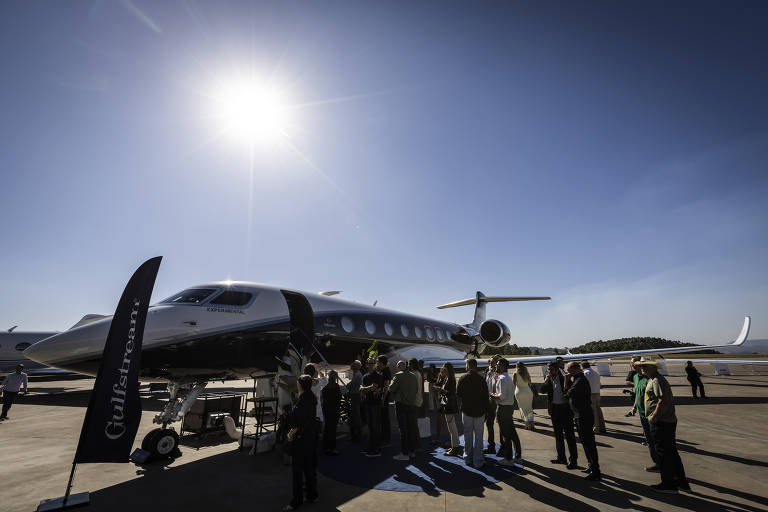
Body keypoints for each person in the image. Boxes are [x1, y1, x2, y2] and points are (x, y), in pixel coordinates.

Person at [639, 359, 690, 493]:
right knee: (671, 452)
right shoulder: (652, 379)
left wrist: (654, 417)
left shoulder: (656, 380)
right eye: (641, 366)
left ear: (653, 367)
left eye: (645, 366)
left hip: (662, 422)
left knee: (663, 453)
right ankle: (682, 482)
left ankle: (668, 484)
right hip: (666, 421)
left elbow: (663, 400)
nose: (642, 368)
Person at [284, 375, 319, 511]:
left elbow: (297, 425)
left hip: (300, 440)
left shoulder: (302, 401)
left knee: (297, 472)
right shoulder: (311, 397)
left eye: (298, 383)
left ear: (301, 385)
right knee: (309, 469)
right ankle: (312, 495)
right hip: (310, 438)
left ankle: (296, 501)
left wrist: (289, 436)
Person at [564, 361, 601, 480]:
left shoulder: (580, 381)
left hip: (583, 416)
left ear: (576, 369)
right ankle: (591, 465)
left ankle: (596, 471)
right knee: (585, 443)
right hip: (580, 415)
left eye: (569, 369)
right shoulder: (577, 379)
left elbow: (568, 393)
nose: (567, 372)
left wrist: (566, 381)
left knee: (589, 444)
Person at [539, 361, 578, 469]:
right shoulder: (550, 380)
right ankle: (561, 457)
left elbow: (571, 392)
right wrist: (546, 380)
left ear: (557, 370)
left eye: (551, 370)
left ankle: (573, 460)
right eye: (548, 370)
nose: (549, 372)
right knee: (558, 435)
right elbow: (541, 390)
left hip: (565, 410)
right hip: (555, 409)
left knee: (569, 436)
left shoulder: (563, 379)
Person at [457, 358, 488, 468]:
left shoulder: (463, 378)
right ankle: (478, 460)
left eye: (466, 365)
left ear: (469, 366)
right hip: (479, 412)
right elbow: (486, 397)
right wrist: (486, 412)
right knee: (479, 437)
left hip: (467, 411)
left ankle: (468, 458)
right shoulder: (482, 379)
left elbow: (458, 394)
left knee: (467, 435)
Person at [490, 358, 522, 465]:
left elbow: (501, 397)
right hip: (509, 408)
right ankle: (518, 456)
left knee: (505, 435)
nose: (496, 366)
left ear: (503, 366)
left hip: (503, 409)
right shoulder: (507, 378)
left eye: (498, 365)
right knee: (512, 433)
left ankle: (508, 459)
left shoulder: (502, 378)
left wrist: (491, 395)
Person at [632, 358, 660, 471]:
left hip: (651, 414)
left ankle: (663, 464)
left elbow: (661, 399)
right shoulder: (635, 377)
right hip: (642, 413)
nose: (633, 365)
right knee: (649, 440)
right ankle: (656, 463)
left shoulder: (649, 378)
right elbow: (637, 394)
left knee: (656, 440)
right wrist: (634, 407)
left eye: (635, 363)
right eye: (632, 363)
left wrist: (655, 415)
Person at [388, 360, 419, 461]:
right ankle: (412, 451)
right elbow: (416, 389)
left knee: (403, 429)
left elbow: (391, 388)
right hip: (411, 404)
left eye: (397, 366)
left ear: (399, 367)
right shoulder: (413, 376)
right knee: (411, 428)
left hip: (401, 404)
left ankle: (405, 453)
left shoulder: (398, 375)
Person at [433, 362, 461, 455]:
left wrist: (441, 390)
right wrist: (440, 376)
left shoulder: (451, 379)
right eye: (442, 369)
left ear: (448, 369)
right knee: (451, 426)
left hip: (450, 405)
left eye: (445, 369)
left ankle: (455, 447)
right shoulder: (446, 378)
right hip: (447, 404)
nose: (443, 370)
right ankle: (454, 446)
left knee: (452, 426)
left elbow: (452, 393)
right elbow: (440, 384)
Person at [360, 358, 383, 457]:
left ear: (375, 365)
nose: (370, 365)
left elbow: (374, 387)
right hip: (368, 403)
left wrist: (365, 388)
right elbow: (362, 389)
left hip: (375, 404)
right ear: (366, 364)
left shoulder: (378, 376)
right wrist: (368, 388)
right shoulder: (365, 376)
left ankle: (376, 449)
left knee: (375, 427)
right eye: (368, 363)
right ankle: (372, 447)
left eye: (372, 363)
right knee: (370, 427)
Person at [483, 355, 504, 455]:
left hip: (498, 401)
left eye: (494, 362)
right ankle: (491, 446)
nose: (492, 364)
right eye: (491, 362)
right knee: (489, 424)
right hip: (489, 401)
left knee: (501, 425)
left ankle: (503, 447)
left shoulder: (501, 374)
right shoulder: (487, 371)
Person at [321, 370, 342, 455]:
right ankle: (332, 448)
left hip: (327, 410)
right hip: (334, 410)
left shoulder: (325, 388)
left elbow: (323, 400)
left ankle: (326, 447)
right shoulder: (336, 387)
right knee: (333, 430)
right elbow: (339, 398)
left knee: (327, 428)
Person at [581, 361, 606, 433]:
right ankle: (602, 427)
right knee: (598, 410)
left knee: (593, 411)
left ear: (583, 366)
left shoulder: (585, 373)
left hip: (590, 394)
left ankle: (596, 428)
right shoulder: (596, 373)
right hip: (597, 393)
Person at [512, 361, 535, 430]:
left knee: (522, 408)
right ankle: (531, 423)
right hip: (528, 391)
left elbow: (514, 384)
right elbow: (530, 382)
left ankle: (527, 424)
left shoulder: (515, 374)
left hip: (519, 391)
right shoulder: (527, 373)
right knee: (529, 408)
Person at [377, 355, 392, 446]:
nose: (377, 362)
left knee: (385, 418)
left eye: (378, 361)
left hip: (384, 397)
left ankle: (386, 439)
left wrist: (383, 398)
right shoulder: (381, 371)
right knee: (382, 418)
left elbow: (387, 386)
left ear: (381, 362)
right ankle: (383, 437)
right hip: (381, 396)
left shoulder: (386, 371)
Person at [347, 360, 363, 442]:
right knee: (355, 414)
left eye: (354, 365)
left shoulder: (357, 375)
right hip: (355, 395)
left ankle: (358, 433)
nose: (352, 366)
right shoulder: (356, 374)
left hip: (356, 396)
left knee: (356, 415)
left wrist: (348, 385)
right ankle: (357, 433)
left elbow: (352, 384)